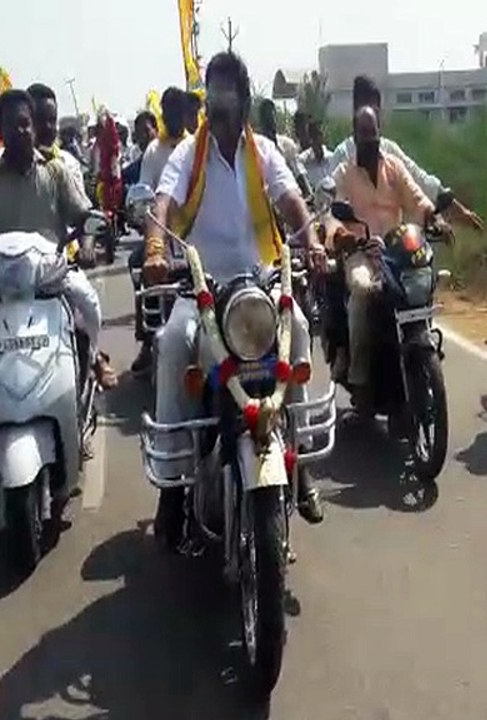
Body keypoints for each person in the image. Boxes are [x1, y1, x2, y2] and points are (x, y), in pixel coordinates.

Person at [142, 50, 326, 545]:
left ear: (244, 100)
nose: (220, 106)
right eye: (213, 94)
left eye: (229, 94)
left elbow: (290, 198)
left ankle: (302, 464)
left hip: (259, 286)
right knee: (174, 343)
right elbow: (164, 200)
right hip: (201, 287)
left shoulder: (262, 150)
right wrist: (157, 246)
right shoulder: (188, 153)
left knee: (302, 333)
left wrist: (310, 240)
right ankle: (174, 487)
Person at [0, 89, 116, 476]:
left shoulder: (55, 171)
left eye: (26, 124)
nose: (22, 132)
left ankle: (88, 377)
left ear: (33, 126)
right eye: (12, 126)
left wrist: (90, 237)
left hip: (49, 280)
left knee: (88, 310)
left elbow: (81, 213)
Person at [331, 106, 444, 407]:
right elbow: (332, 217)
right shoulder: (344, 173)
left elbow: (417, 197)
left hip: (396, 252)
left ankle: (419, 345)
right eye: (364, 134)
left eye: (374, 133)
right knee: (362, 291)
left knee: (423, 285)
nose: (371, 140)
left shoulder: (393, 166)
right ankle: (360, 378)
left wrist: (434, 218)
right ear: (355, 137)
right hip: (360, 254)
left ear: (380, 133)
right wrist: (347, 237)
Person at [329, 75, 483, 233]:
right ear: (356, 109)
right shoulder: (342, 161)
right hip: (360, 249)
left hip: (395, 249)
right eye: (369, 107)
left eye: (377, 109)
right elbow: (331, 211)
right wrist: (341, 236)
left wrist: (445, 215)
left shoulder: (392, 158)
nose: (374, 114)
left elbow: (420, 187)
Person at [128, 88, 189, 375]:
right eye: (170, 111)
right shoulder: (154, 151)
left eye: (180, 111)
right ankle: (148, 339)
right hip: (162, 234)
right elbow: (147, 194)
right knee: (138, 264)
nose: (175, 117)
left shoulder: (197, 146)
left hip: (195, 233)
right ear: (164, 114)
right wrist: (151, 229)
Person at [27, 83, 87, 196]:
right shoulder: (11, 168)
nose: (48, 126)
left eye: (52, 120)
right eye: (40, 119)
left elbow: (78, 210)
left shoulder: (68, 164)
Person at [256, 99, 311, 197]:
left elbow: (299, 173)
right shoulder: (256, 149)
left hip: (291, 196)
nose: (270, 121)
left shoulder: (288, 145)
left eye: (272, 117)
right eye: (266, 118)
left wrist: (309, 194)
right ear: (261, 122)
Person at [122, 111, 157, 187]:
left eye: (147, 130)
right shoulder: (130, 173)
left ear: (156, 130)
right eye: (139, 132)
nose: (144, 136)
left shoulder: (168, 163)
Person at [298, 120, 333, 190]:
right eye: (314, 137)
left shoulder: (332, 158)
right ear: (310, 139)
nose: (317, 140)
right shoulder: (303, 161)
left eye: (319, 135)